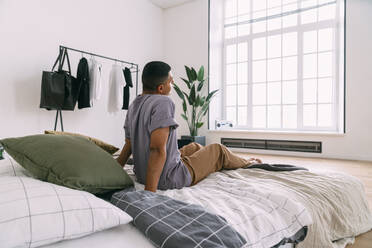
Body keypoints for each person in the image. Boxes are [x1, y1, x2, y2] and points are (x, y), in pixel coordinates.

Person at [116, 61, 261, 192]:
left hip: (143, 173)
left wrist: (113, 172)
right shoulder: (163, 102)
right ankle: (247, 162)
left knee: (195, 147)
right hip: (167, 178)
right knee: (218, 150)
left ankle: (209, 161)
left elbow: (128, 144)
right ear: (161, 88)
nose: (172, 86)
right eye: (171, 82)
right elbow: (157, 149)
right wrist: (149, 192)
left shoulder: (135, 104)